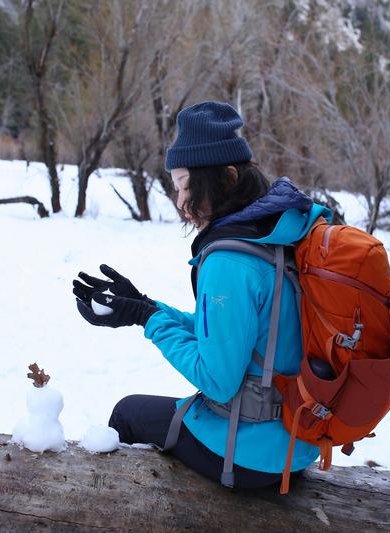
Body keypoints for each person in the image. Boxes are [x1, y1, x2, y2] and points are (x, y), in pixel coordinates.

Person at [73, 101, 330, 490]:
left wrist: (148, 321)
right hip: (293, 439)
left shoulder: (230, 261)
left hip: (251, 455)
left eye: (184, 186)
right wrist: (143, 306)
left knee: (128, 413)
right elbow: (239, 338)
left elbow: (218, 380)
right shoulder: (275, 235)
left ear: (225, 178)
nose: (180, 202)